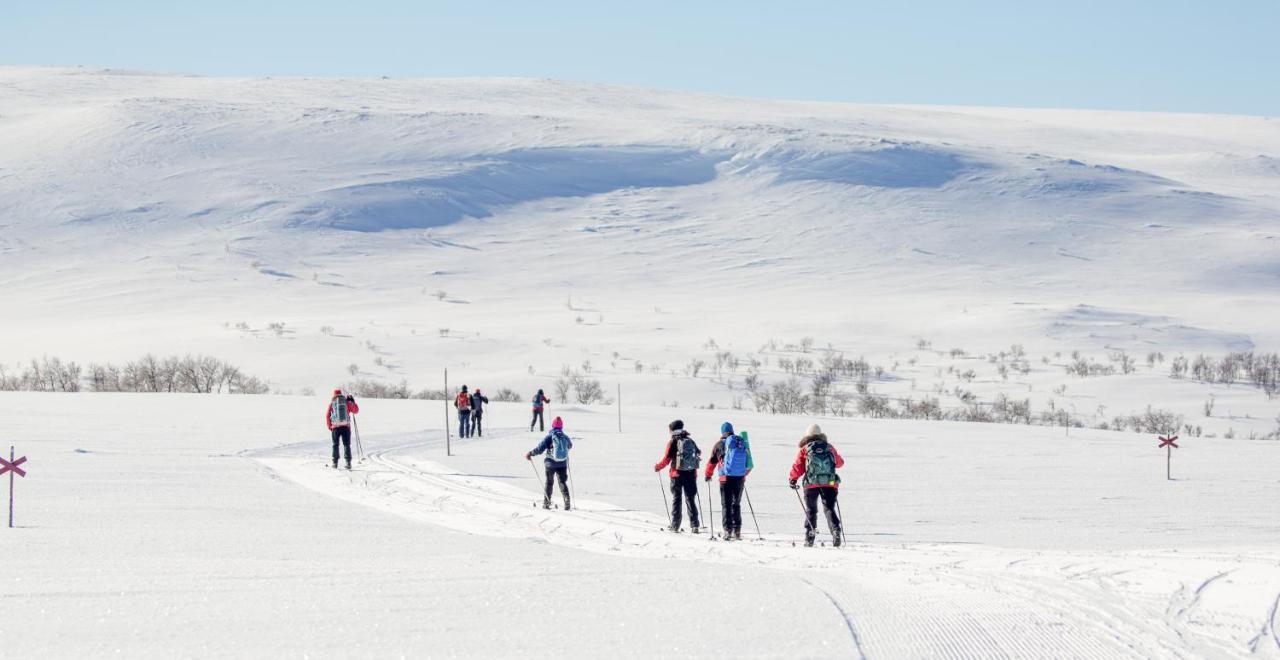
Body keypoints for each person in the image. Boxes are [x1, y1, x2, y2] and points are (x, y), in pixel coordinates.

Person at [788, 424, 845, 547]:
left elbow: (798, 467)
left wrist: (793, 479)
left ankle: (810, 536)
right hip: (830, 483)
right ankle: (835, 531)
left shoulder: (805, 449)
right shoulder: (829, 447)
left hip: (811, 484)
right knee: (829, 508)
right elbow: (840, 463)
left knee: (811, 510)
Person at [704, 422, 752, 540]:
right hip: (740, 478)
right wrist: (743, 475)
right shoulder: (740, 442)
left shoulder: (719, 444)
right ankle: (737, 531)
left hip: (725, 479)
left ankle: (727, 530)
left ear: (722, 432)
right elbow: (748, 462)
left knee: (726, 505)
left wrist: (708, 475)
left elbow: (712, 462)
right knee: (736, 504)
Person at [653, 419, 701, 533]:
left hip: (676, 475)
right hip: (691, 474)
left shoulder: (673, 442)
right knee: (690, 499)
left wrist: (658, 467)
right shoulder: (690, 440)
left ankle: (675, 525)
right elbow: (698, 453)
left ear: (672, 430)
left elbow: (667, 459)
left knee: (677, 499)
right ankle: (694, 525)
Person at [526, 416, 573, 510]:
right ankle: (567, 500)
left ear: (553, 425)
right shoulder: (565, 436)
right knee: (562, 482)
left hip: (550, 464)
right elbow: (570, 445)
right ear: (561, 426)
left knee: (549, 482)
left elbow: (539, 449)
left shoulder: (550, 436)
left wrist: (530, 453)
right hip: (562, 463)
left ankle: (546, 503)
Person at [325, 388, 359, 469]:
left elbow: (327, 416)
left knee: (335, 445)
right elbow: (356, 410)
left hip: (335, 427)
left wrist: (330, 426)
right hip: (345, 427)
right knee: (346, 445)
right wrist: (352, 402)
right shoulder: (346, 402)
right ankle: (348, 463)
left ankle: (334, 463)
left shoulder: (332, 404)